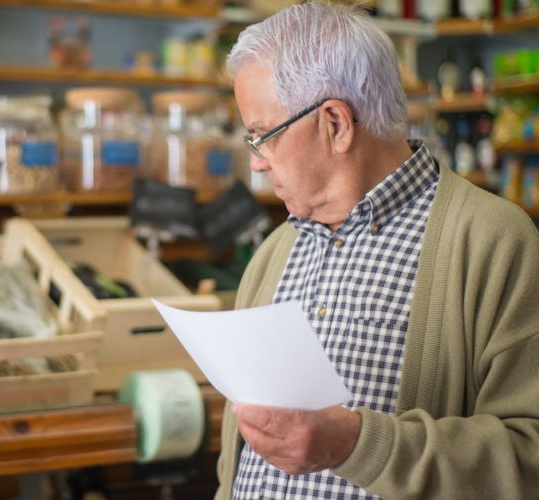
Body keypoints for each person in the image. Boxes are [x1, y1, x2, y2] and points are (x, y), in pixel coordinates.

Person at [216, 2, 539, 499]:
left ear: (336, 124)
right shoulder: (273, 252)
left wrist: (357, 445)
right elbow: (234, 467)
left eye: (263, 137)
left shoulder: (495, 242)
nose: (256, 163)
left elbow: (530, 456)